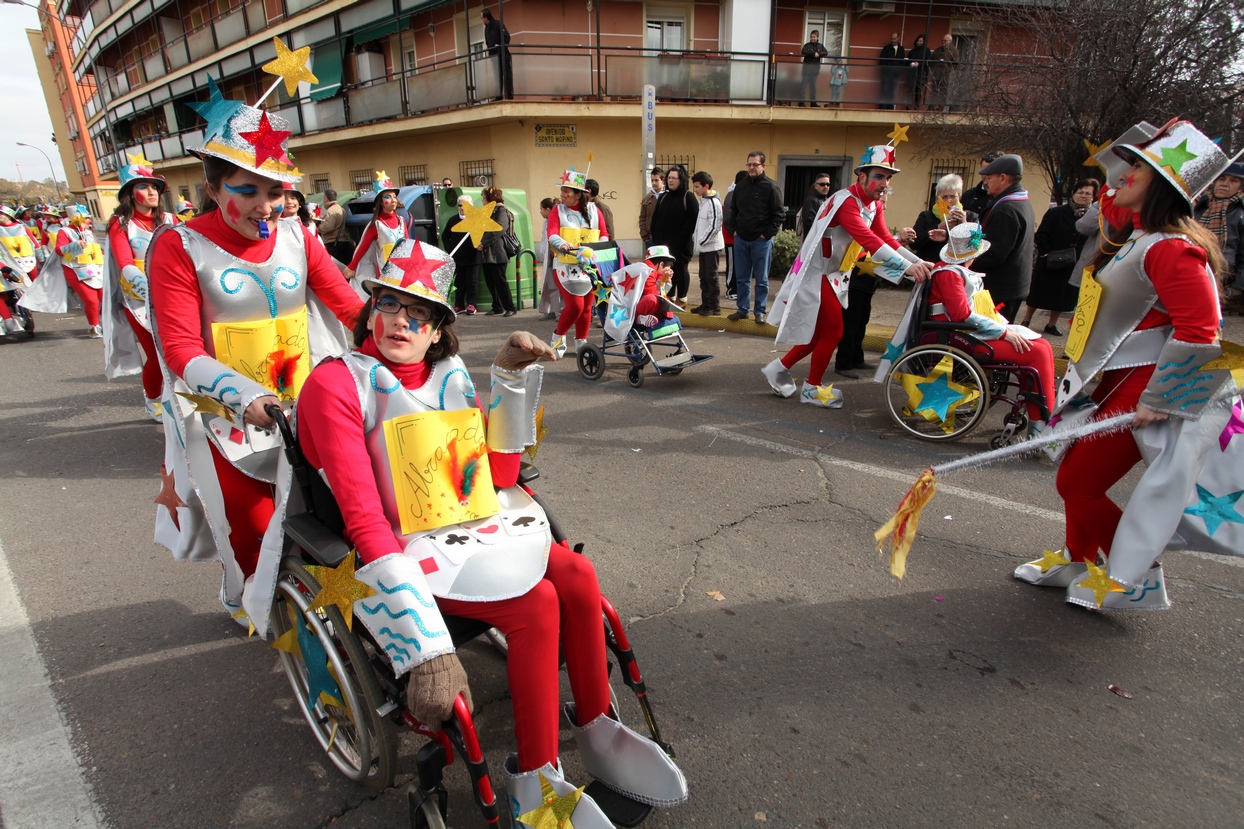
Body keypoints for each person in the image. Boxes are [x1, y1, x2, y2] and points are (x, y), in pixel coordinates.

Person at [293, 241, 687, 824]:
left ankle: (598, 727)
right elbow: (362, 517)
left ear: (438, 331)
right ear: (370, 309)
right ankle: (535, 778)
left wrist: (508, 378)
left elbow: (497, 477)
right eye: (392, 303)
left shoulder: (447, 374)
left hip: (470, 522)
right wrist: (422, 645)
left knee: (576, 574)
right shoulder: (337, 385)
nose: (404, 320)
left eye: (421, 312)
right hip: (400, 542)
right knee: (537, 605)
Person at [144, 101, 362, 621]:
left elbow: (348, 305)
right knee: (251, 523)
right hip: (223, 415)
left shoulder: (298, 236)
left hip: (305, 405)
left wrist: (416, 330)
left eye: (275, 191)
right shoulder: (180, 245)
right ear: (213, 189)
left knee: (331, 510)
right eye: (246, 191)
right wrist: (244, 397)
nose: (265, 206)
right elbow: (178, 348)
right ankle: (252, 602)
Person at [1012, 120, 1240, 611]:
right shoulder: (1137, 234)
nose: (1123, 175)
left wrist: (1162, 401)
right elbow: (1113, 188)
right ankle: (1078, 559)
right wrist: (1145, 142)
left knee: (1076, 482)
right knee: (1073, 471)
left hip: (1143, 387)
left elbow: (1201, 330)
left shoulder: (1172, 249)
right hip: (1111, 381)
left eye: (1139, 168)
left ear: (1161, 184)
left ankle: (1135, 577)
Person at [765, 144, 932, 406]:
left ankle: (778, 368)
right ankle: (811, 388)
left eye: (888, 177)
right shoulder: (846, 201)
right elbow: (867, 239)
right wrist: (906, 268)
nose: (884, 183)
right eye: (879, 176)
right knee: (833, 332)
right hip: (817, 274)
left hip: (836, 276)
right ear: (861, 176)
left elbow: (884, 237)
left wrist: (918, 260)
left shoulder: (874, 205)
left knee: (818, 335)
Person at [924, 222, 1054, 425]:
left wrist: (1005, 328)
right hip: (958, 335)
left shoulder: (956, 271)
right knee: (1037, 353)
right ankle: (1041, 421)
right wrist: (1003, 333)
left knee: (1043, 345)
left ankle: (1045, 411)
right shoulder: (950, 274)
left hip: (966, 331)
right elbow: (961, 314)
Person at [101, 155, 178, 418]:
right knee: (157, 356)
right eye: (143, 187)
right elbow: (125, 263)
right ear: (130, 194)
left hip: (173, 295)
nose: (152, 192)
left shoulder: (171, 219)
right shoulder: (121, 224)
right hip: (139, 301)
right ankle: (153, 399)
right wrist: (148, 286)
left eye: (155, 187)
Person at [835, 187, 916, 379]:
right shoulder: (858, 215)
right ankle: (844, 362)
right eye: (882, 202)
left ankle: (856, 356)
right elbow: (870, 243)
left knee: (862, 319)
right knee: (851, 320)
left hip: (869, 280)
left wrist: (912, 259)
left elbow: (883, 240)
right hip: (855, 275)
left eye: (885, 203)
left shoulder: (874, 216)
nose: (883, 205)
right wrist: (899, 242)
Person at [1020, 179, 1098, 335]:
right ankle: (1026, 319)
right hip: (1050, 260)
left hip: (1073, 264)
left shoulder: (1094, 217)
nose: (1083, 196)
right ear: (1074, 193)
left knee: (1062, 296)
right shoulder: (1056, 212)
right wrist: (1046, 252)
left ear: (1093, 197)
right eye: (1080, 192)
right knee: (1038, 292)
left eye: (1088, 193)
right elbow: (1042, 234)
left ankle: (1051, 324)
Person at [548, 167, 609, 355]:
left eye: (566, 191)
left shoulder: (595, 211)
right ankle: (557, 339)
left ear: (578, 195)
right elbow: (552, 233)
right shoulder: (557, 210)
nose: (562, 194)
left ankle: (582, 344)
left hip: (589, 267)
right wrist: (561, 243)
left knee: (587, 309)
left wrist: (597, 249)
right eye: (562, 190)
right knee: (575, 306)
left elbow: (604, 234)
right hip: (564, 265)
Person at [969, 154, 1034, 322]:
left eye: (989, 178)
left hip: (1001, 289)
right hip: (1011, 286)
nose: (985, 182)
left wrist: (965, 262)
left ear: (1003, 178)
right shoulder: (1019, 201)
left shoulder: (1007, 209)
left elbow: (993, 253)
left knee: (992, 334)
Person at [726, 152, 784, 324]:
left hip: (762, 241)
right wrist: (734, 230)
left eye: (755, 164)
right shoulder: (741, 186)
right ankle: (742, 309)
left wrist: (766, 234)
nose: (751, 167)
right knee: (742, 278)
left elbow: (779, 214)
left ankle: (760, 311)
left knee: (762, 279)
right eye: (749, 164)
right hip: (741, 239)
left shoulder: (771, 187)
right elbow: (733, 211)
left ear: (763, 166)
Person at [344, 172, 408, 294]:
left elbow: (408, 244)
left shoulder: (402, 221)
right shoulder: (376, 224)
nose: (392, 200)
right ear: (381, 202)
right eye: (387, 197)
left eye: (394, 196)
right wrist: (351, 267)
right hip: (385, 271)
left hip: (402, 268)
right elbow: (363, 247)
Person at [1194, 161, 1244, 313]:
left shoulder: (1241, 215)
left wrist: (1235, 290)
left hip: (1226, 288)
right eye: (1222, 178)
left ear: (1241, 187)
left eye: (1233, 180)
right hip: (1192, 274)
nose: (1225, 184)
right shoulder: (1198, 209)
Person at [648, 164, 697, 308]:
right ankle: (670, 296)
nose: (671, 181)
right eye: (669, 178)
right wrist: (655, 238)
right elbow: (655, 219)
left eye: (674, 178)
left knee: (680, 272)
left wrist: (681, 239)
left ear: (681, 180)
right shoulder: (664, 197)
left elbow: (691, 222)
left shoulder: (688, 197)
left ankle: (682, 298)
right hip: (663, 246)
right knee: (666, 272)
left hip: (681, 245)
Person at [911, 173, 976, 262]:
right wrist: (938, 227)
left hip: (957, 267)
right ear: (938, 198)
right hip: (931, 266)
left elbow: (976, 245)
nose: (949, 200)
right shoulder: (926, 216)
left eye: (953, 196)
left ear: (959, 196)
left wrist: (964, 225)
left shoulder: (971, 217)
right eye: (944, 197)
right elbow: (914, 243)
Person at [478, 185, 517, 316]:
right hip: (488, 252)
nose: (482, 201)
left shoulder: (500, 210)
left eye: (484, 198)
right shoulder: (489, 211)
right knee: (490, 280)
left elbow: (499, 228)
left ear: (490, 199)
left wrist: (483, 242)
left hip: (497, 251)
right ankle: (497, 306)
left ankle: (510, 307)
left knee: (500, 280)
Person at [0, 205, 38, 336]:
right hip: (7, 262)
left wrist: (39, 251)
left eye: (1, 214)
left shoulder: (21, 227)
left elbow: (32, 241)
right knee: (8, 290)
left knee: (32, 284)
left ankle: (31, 303)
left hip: (26, 260)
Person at [690, 171, 724, 315]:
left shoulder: (713, 202)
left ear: (706, 186)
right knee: (703, 276)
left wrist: (702, 240)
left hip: (711, 246)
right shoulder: (703, 202)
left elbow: (715, 225)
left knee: (711, 276)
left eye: (697, 187)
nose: (695, 190)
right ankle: (705, 303)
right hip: (704, 247)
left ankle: (713, 305)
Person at [442, 194, 479, 315]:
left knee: (472, 282)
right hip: (457, 258)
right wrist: (450, 250)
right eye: (460, 205)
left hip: (473, 257)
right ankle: (458, 305)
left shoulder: (475, 220)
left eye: (465, 205)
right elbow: (445, 236)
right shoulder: (453, 220)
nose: (462, 208)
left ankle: (471, 304)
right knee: (459, 282)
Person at [536, 197, 561, 320]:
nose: (540, 212)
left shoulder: (558, 219)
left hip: (556, 255)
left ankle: (561, 312)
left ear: (547, 209)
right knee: (549, 284)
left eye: (541, 209)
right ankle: (551, 310)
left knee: (559, 285)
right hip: (548, 256)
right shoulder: (546, 221)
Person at [480, 9, 513, 100]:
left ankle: (509, 95)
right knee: (497, 75)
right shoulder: (486, 29)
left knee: (506, 74)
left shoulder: (498, 24)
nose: (481, 20)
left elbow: (506, 36)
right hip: (494, 56)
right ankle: (499, 95)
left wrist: (501, 47)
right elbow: (488, 42)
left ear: (486, 18)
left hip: (502, 53)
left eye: (481, 18)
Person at [959, 152, 1001, 217]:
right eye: (985, 170)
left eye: (991, 172)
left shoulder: (1004, 199)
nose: (987, 175)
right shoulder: (968, 195)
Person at [320, 188, 352, 264]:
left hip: (334, 243)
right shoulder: (341, 209)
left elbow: (328, 227)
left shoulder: (331, 210)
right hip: (344, 241)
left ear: (325, 198)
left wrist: (318, 227)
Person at [797, 173, 833, 239]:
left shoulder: (827, 200)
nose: (825, 186)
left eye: (828, 184)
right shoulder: (811, 200)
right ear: (815, 185)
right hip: (813, 240)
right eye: (822, 184)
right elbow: (809, 223)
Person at [928, 34, 959, 111]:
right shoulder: (937, 50)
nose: (943, 42)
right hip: (936, 75)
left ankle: (941, 107)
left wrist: (948, 67)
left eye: (945, 41)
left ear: (950, 41)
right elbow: (931, 61)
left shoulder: (954, 51)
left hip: (946, 75)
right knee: (934, 91)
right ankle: (932, 106)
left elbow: (956, 63)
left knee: (943, 92)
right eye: (942, 40)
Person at [799, 30, 828, 106]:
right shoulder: (807, 45)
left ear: (817, 37)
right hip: (806, 69)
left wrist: (818, 54)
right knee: (803, 85)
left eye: (814, 37)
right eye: (811, 37)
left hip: (814, 70)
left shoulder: (820, 46)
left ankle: (813, 102)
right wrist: (813, 54)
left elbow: (826, 52)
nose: (812, 38)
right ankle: (801, 102)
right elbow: (803, 51)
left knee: (813, 87)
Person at [878, 33, 905, 110]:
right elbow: (882, 61)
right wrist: (884, 71)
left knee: (892, 91)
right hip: (886, 74)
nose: (893, 40)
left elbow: (902, 61)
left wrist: (899, 71)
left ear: (898, 38)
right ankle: (882, 107)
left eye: (894, 39)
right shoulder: (886, 48)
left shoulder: (901, 49)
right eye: (892, 39)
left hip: (895, 74)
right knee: (884, 90)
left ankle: (890, 107)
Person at [638, 167, 664, 247]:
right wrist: (645, 237)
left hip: (665, 238)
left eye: (656, 180)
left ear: (662, 180)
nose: (654, 183)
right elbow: (642, 218)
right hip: (650, 238)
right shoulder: (647, 199)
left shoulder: (668, 196)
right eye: (652, 180)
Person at [907, 34, 931, 109]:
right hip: (911, 73)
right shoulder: (912, 51)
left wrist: (919, 63)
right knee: (910, 92)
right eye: (918, 41)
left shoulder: (926, 51)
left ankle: (916, 108)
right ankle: (908, 107)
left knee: (918, 92)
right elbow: (908, 60)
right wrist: (911, 63)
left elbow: (928, 62)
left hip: (921, 74)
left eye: (921, 41)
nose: (919, 42)